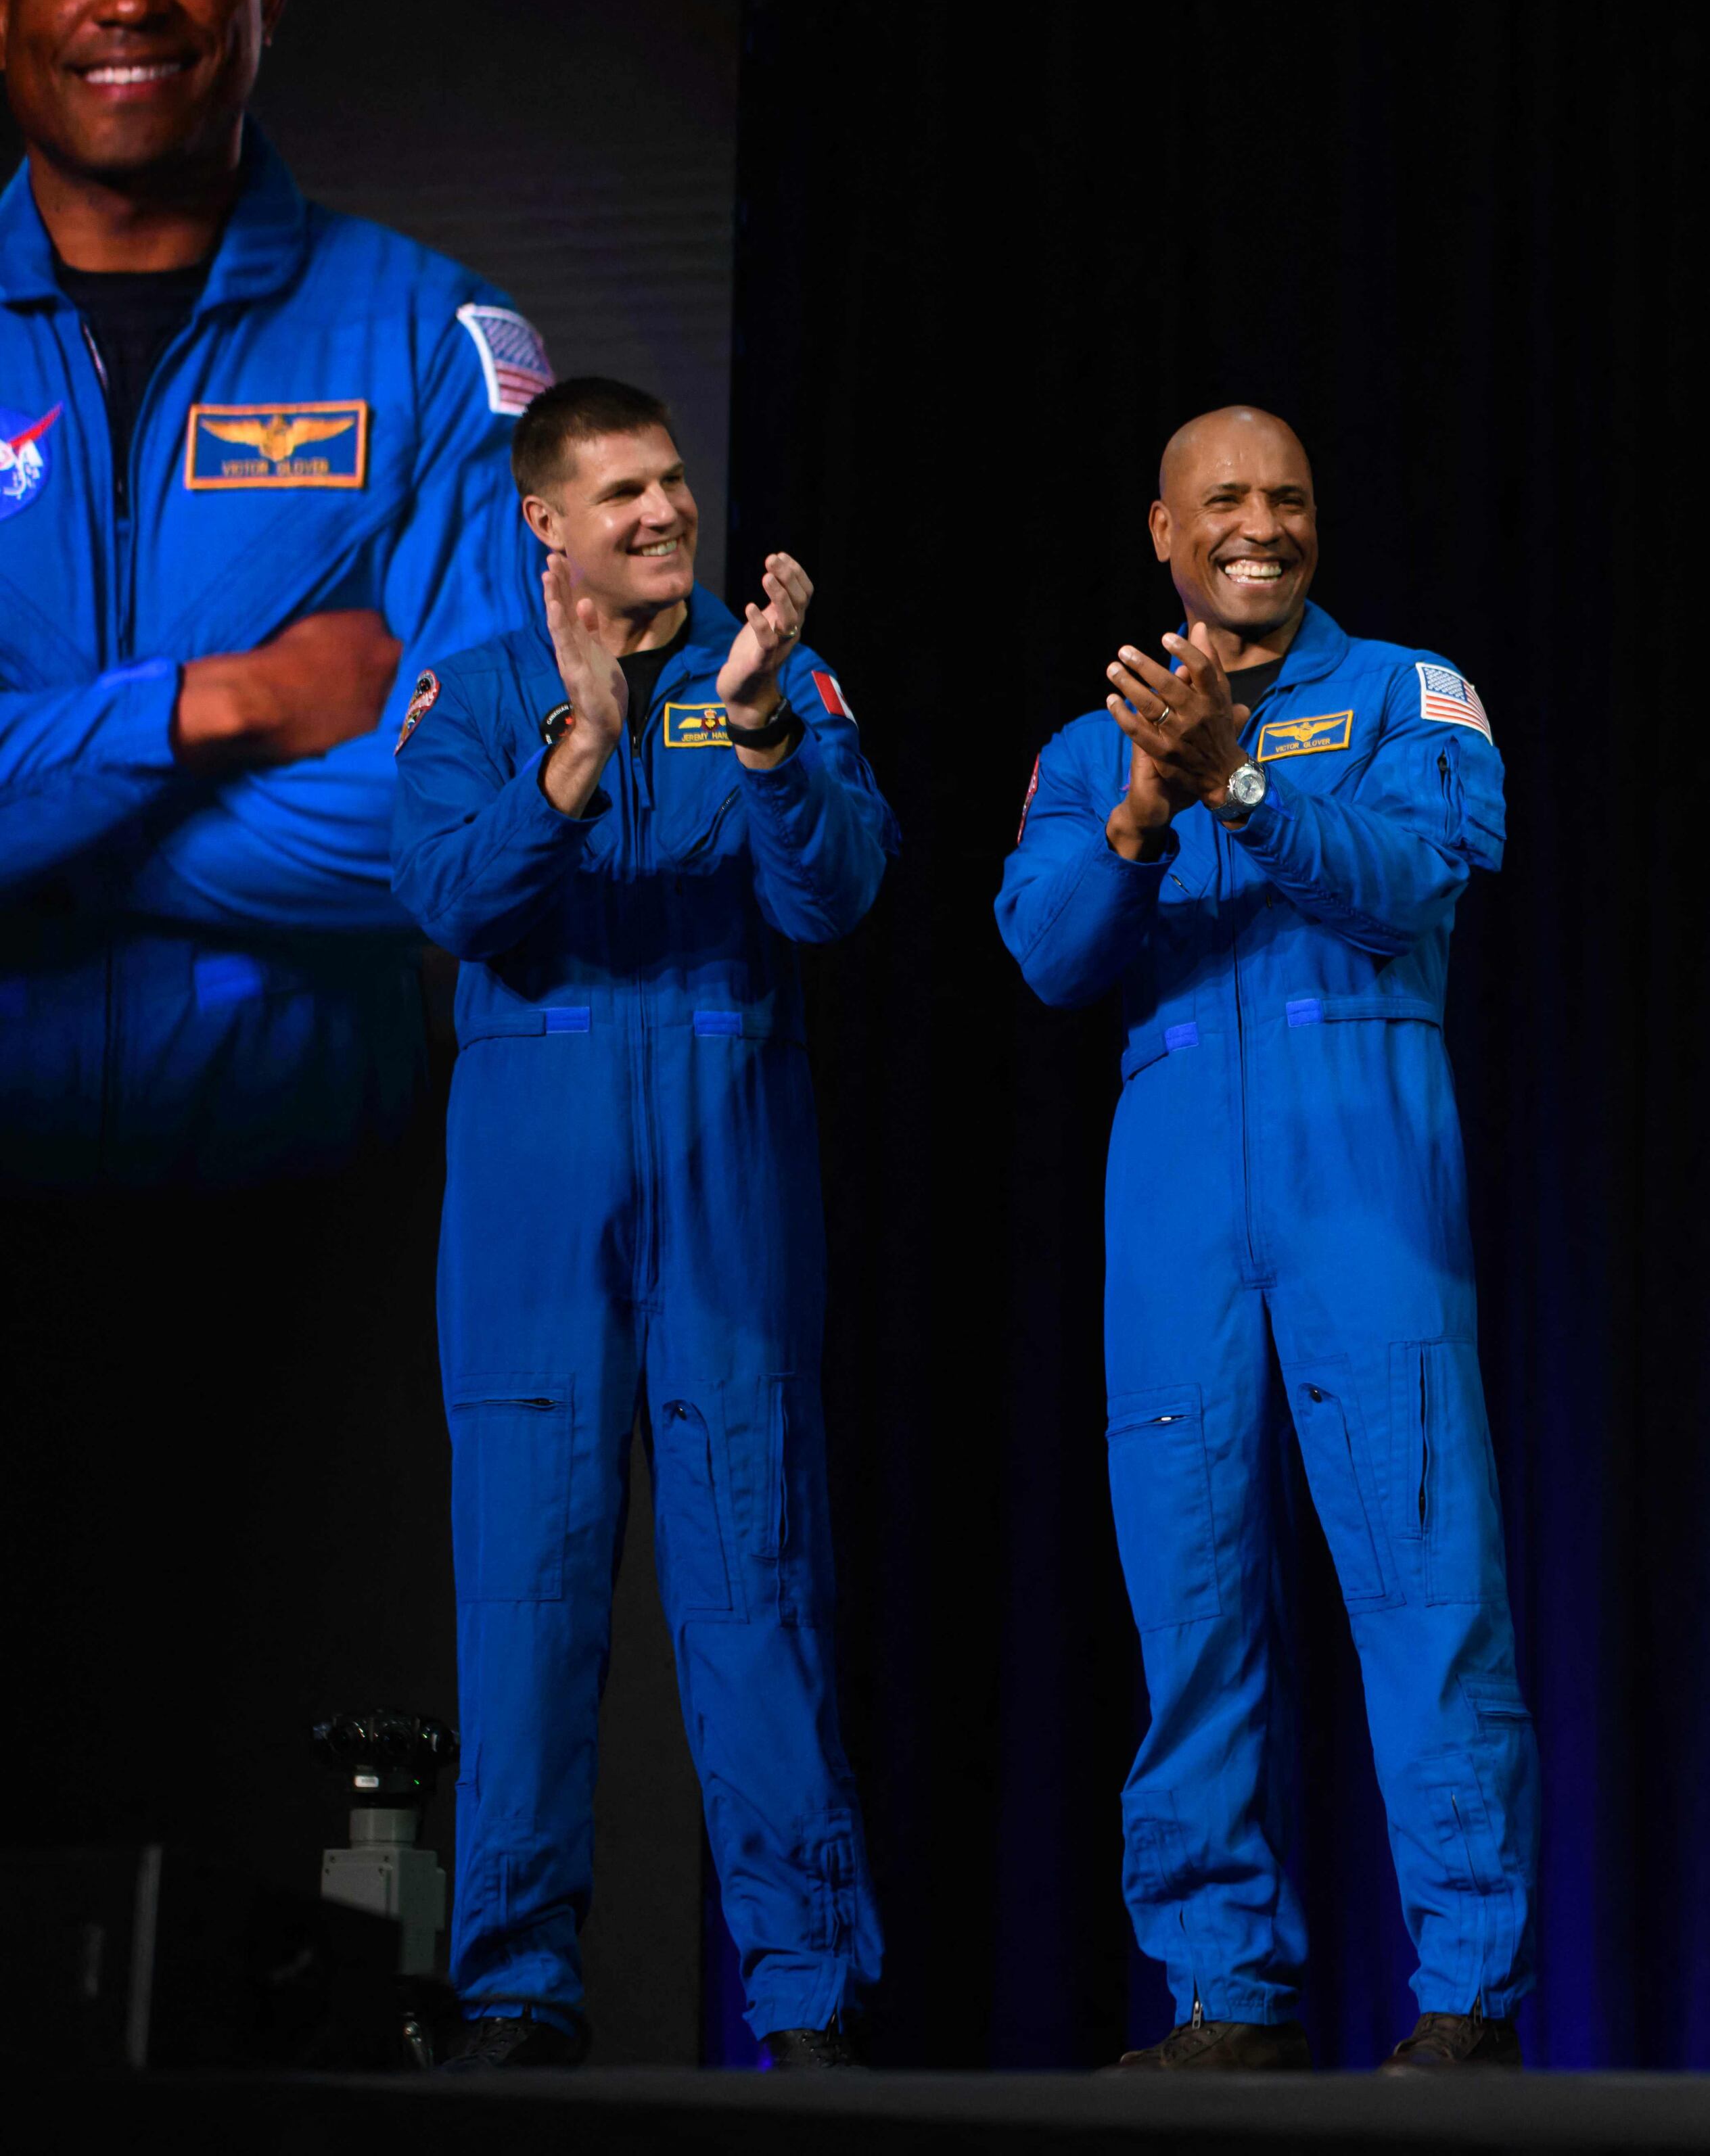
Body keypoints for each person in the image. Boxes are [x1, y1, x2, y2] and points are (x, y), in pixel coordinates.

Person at [997, 405, 1536, 2073]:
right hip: (1174, 1196)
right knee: (1194, 1607)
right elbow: (1048, 957)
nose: (1262, 524)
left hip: (1359, 1174)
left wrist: (1240, 781)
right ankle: (1224, 1991)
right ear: (1163, 532)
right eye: (1224, 499)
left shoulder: (1407, 693)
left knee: (1427, 1589)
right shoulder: (1095, 743)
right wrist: (1141, 813)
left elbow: (1420, 877)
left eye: (1289, 497)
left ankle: (1471, 1994)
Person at [390, 377, 894, 2070]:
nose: (667, 511)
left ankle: (808, 1994)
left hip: (725, 1152)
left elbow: (837, 893)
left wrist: (757, 731)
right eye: (625, 493)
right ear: (547, 521)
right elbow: (448, 898)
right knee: (524, 1595)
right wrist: (578, 754)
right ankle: (515, 1987)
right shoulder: (476, 693)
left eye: (673, 480)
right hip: (535, 1177)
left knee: (758, 1578)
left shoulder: (775, 675)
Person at [0, 0, 543, 1185]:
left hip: (309, 1207)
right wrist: (221, 704)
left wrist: (49, 853)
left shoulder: (436, 342)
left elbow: (487, 808)